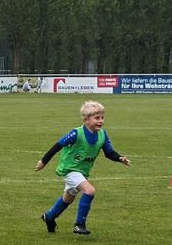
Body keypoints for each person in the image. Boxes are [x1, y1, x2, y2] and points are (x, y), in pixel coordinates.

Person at [34, 99, 130, 235]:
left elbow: (109, 153)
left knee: (68, 198)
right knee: (89, 191)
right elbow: (57, 146)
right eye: (97, 118)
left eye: (102, 117)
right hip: (70, 169)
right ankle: (79, 224)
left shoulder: (102, 134)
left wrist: (120, 158)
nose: (101, 121)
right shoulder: (76, 133)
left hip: (82, 171)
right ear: (86, 120)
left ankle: (49, 216)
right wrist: (43, 162)